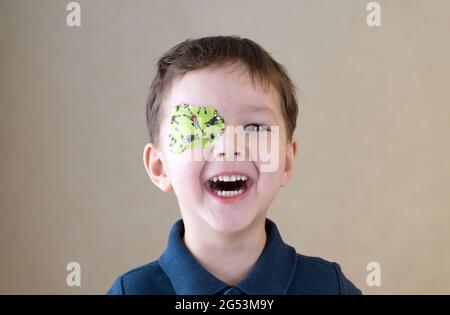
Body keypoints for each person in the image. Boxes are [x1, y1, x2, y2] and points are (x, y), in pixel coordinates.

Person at [107, 36, 361, 295]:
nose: (229, 145)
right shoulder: (131, 292)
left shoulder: (330, 288)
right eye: (199, 126)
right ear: (160, 167)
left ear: (286, 160)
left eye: (255, 127)